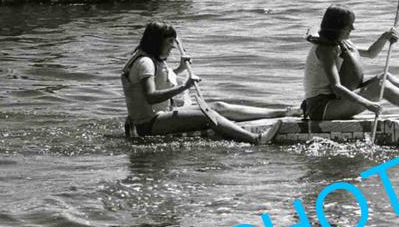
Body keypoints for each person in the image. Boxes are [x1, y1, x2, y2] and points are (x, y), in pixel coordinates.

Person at [121, 22, 287, 143]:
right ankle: (256, 139)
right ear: (157, 42)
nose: (172, 47)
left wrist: (179, 69)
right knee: (207, 115)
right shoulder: (145, 63)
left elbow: (159, 80)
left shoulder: (149, 58)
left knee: (218, 106)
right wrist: (184, 86)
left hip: (161, 115)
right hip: (150, 123)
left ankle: (279, 113)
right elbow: (150, 96)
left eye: (173, 41)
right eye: (169, 42)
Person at [302, 6, 399, 121]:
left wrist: (384, 37)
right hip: (322, 108)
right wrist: (368, 104)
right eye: (349, 24)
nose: (353, 27)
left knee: (384, 76)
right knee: (379, 87)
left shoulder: (341, 43)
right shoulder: (325, 50)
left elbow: (370, 53)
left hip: (335, 101)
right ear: (338, 26)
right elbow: (336, 87)